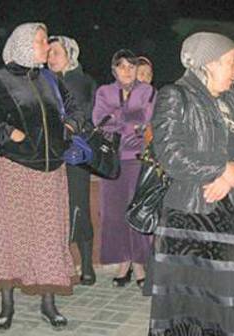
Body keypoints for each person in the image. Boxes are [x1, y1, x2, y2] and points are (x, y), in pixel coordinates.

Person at [147, 32, 234, 335]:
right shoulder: (176, 95)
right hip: (188, 216)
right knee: (185, 301)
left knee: (226, 297)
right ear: (209, 64)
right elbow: (170, 153)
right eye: (232, 62)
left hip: (231, 214)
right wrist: (222, 169)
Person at [0, 23, 83, 330]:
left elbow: (75, 109)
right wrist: (8, 133)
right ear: (22, 44)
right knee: (11, 235)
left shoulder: (51, 80)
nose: (47, 46)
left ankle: (49, 303)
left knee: (49, 237)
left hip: (51, 171)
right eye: (42, 41)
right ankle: (7, 304)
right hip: (15, 171)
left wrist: (68, 127)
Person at [92, 49, 155, 288]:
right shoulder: (104, 91)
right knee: (114, 214)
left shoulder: (146, 91)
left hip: (138, 161)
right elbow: (100, 121)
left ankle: (140, 263)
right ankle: (123, 262)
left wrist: (118, 118)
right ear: (114, 70)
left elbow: (147, 123)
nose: (127, 71)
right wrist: (130, 119)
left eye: (131, 66)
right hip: (112, 162)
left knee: (136, 211)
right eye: (122, 66)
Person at [47, 35, 98, 285]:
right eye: (48, 53)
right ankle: (72, 266)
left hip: (73, 155)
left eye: (56, 52)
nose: (50, 58)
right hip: (55, 155)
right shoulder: (47, 80)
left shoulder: (78, 81)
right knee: (60, 209)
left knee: (77, 206)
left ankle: (86, 265)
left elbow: (78, 118)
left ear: (70, 54)